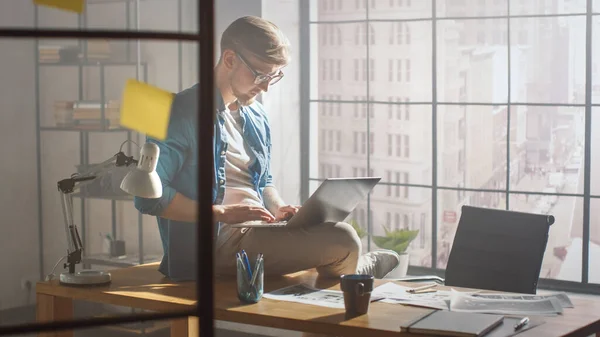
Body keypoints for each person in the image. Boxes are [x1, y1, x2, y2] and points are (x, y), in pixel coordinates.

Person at [134, 16, 401, 282]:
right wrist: (221, 213)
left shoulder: (256, 115)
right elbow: (149, 198)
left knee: (334, 231)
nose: (265, 87)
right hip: (212, 245)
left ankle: (349, 269)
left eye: (274, 77)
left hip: (257, 231)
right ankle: (355, 270)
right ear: (229, 59)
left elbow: (264, 182)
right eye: (261, 75)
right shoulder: (178, 112)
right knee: (343, 238)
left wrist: (279, 208)